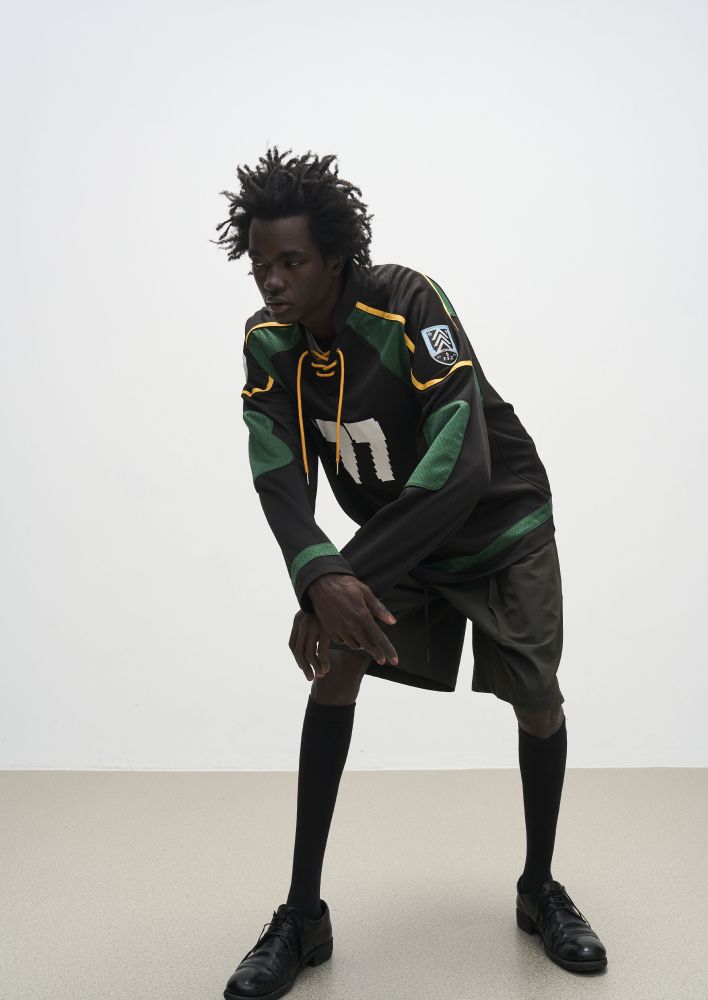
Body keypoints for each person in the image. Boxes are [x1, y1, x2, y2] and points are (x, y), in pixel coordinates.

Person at [214, 148, 607, 999]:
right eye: (261, 264)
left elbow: (462, 463)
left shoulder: (406, 304)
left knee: (537, 698)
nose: (273, 281)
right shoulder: (269, 343)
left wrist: (340, 575)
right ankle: (302, 916)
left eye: (291, 262)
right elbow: (276, 470)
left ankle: (539, 889)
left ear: (334, 256)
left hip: (500, 525)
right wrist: (317, 577)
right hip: (403, 538)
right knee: (335, 667)